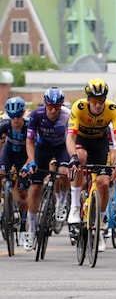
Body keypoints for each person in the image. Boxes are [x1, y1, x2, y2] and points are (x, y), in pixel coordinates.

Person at [66, 78, 116, 252]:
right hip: (81, 141)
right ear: (88, 100)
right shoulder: (79, 107)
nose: (98, 105)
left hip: (100, 143)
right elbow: (70, 137)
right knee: (80, 158)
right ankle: (75, 206)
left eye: (101, 101)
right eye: (94, 101)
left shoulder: (113, 110)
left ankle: (99, 226)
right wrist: (72, 157)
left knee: (103, 183)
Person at [21, 88, 71, 250]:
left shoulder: (67, 115)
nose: (53, 110)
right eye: (50, 106)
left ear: (61, 105)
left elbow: (72, 137)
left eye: (57, 107)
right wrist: (32, 161)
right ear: (45, 105)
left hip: (61, 147)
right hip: (42, 148)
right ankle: (32, 229)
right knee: (35, 189)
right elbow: (30, 141)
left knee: (64, 173)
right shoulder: (36, 115)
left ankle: (62, 202)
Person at [0, 97, 30, 249]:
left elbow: (35, 149)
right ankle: (3, 203)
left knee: (24, 193)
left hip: (24, 156)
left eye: (18, 116)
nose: (15, 120)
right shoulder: (4, 125)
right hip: (8, 153)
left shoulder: (30, 126)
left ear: (23, 113)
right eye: (12, 117)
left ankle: (24, 231)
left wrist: (28, 165)